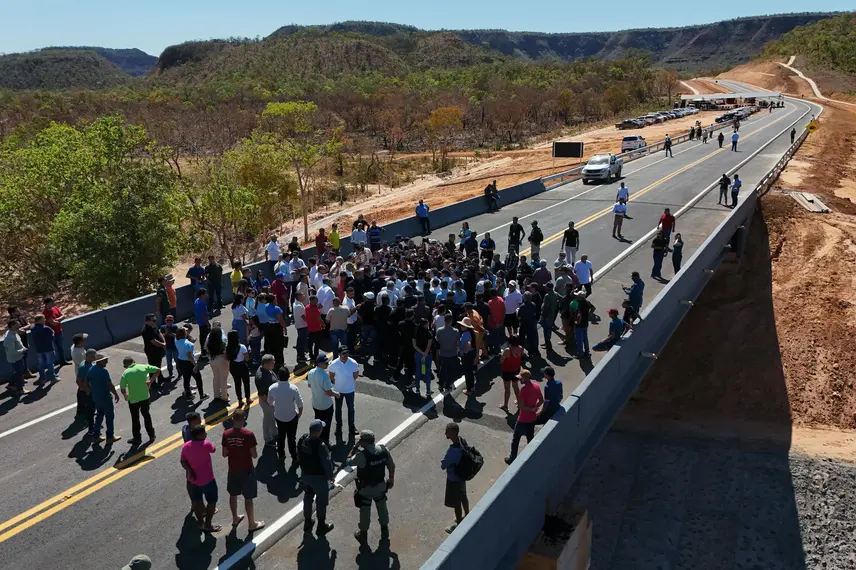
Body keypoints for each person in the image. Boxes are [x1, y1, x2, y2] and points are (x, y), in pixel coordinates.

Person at [349, 429, 395, 543]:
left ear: (365, 442)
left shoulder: (361, 455)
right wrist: (391, 478)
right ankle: (385, 531)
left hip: (366, 489)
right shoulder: (383, 450)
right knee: (382, 508)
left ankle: (363, 534)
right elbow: (391, 465)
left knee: (365, 511)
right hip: (380, 486)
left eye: (360, 440)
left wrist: (354, 448)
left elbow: (348, 461)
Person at [222, 409, 265, 531]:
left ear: (232, 419)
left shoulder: (226, 434)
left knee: (233, 494)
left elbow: (224, 454)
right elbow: (254, 455)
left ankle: (235, 517)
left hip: (233, 470)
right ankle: (251, 523)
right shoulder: (248, 434)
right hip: (247, 470)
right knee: (248, 497)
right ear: (244, 419)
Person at [180, 425, 220, 533]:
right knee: (212, 501)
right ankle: (208, 524)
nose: (206, 434)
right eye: (204, 433)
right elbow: (214, 449)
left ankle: (201, 523)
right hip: (207, 479)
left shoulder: (185, 446)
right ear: (198, 435)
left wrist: (190, 470)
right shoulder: (206, 444)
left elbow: (183, 461)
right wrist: (205, 441)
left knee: (197, 502)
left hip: (193, 481)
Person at [299, 419, 335, 535]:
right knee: (321, 502)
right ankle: (321, 526)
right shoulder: (321, 445)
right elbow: (327, 463)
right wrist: (331, 477)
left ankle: (308, 521)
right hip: (319, 478)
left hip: (305, 476)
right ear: (319, 431)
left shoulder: (302, 440)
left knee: (308, 497)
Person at [504, 370, 543, 464]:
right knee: (530, 438)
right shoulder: (536, 386)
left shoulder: (524, 390)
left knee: (516, 439)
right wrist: (535, 407)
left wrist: (530, 409)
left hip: (523, 419)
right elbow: (541, 400)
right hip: (532, 419)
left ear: (526, 378)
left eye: (520, 378)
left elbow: (522, 407)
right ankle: (532, 456)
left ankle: (512, 458)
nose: (519, 380)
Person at [119, 356, 159, 444]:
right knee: (146, 416)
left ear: (125, 365)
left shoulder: (126, 373)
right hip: (145, 397)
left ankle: (137, 438)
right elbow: (157, 370)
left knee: (135, 418)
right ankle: (151, 435)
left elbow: (122, 388)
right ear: (134, 361)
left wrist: (125, 395)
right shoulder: (143, 367)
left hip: (133, 399)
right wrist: (151, 381)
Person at [268, 367, 303, 465]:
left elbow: (270, 402)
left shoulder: (272, 388)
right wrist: (298, 415)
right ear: (288, 376)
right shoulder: (293, 388)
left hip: (279, 416)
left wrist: (276, 405)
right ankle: (294, 457)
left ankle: (281, 455)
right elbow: (300, 405)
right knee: (292, 438)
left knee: (281, 437)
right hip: (292, 417)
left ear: (278, 376)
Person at [441, 422, 470, 533]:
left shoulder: (452, 451)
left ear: (452, 433)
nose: (445, 434)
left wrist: (443, 462)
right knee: (463, 495)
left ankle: (458, 523)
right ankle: (467, 514)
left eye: (447, 432)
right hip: (462, 477)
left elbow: (443, 466)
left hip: (453, 479)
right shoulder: (463, 441)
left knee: (456, 503)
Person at [86, 354, 121, 443]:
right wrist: (116, 394)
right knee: (109, 416)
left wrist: (90, 390)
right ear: (100, 362)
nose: (107, 362)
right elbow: (110, 385)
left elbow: (86, 381)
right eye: (105, 360)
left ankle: (96, 436)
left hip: (96, 397)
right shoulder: (103, 371)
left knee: (99, 415)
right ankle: (110, 436)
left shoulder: (91, 369)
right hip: (105, 397)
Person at [307, 354, 338, 445]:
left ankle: (316, 441)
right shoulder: (325, 375)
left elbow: (309, 385)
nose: (327, 364)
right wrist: (336, 394)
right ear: (319, 363)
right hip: (326, 405)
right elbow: (328, 392)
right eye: (325, 363)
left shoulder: (311, 372)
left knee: (317, 424)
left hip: (316, 404)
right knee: (326, 426)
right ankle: (325, 444)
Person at [329, 347, 359, 438]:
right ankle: (338, 426)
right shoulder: (334, 364)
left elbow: (356, 375)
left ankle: (352, 426)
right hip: (338, 391)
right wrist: (337, 384)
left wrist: (348, 382)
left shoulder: (353, 363)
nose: (346, 355)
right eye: (343, 353)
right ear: (339, 354)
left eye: (347, 353)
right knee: (338, 409)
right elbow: (331, 376)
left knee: (351, 409)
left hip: (350, 390)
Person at [176, 327, 206, 401]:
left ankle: (189, 395)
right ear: (185, 333)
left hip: (181, 361)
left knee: (186, 379)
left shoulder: (177, 341)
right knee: (198, 378)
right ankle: (202, 395)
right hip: (189, 363)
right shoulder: (189, 344)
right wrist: (195, 364)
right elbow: (189, 356)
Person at [255, 354, 278, 446]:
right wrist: (270, 403)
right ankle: (268, 439)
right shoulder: (261, 377)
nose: (274, 364)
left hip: (271, 399)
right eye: (273, 363)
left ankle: (275, 433)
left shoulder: (267, 370)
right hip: (267, 401)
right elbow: (261, 395)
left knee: (272, 417)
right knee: (268, 419)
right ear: (266, 364)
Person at [436, 313, 460, 394]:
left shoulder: (439, 330)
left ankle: (440, 384)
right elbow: (457, 343)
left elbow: (438, 341)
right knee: (450, 371)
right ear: (451, 321)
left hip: (442, 353)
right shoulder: (456, 331)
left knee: (442, 369)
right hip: (452, 354)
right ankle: (447, 385)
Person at [227, 330, 252, 408]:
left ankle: (240, 400)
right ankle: (248, 398)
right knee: (246, 383)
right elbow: (247, 358)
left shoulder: (227, 348)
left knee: (237, 383)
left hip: (233, 366)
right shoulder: (242, 347)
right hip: (242, 365)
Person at [3, 319, 28, 395]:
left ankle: (11, 384)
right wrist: (22, 350)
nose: (19, 325)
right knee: (19, 373)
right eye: (17, 324)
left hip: (18, 357)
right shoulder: (9, 338)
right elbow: (12, 351)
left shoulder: (14, 333)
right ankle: (20, 389)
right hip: (15, 359)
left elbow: (19, 343)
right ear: (12, 326)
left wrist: (23, 348)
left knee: (19, 371)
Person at [141, 313, 166, 387]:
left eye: (155, 320)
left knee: (158, 364)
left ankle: (160, 378)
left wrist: (164, 341)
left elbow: (159, 333)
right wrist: (163, 345)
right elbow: (154, 342)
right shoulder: (146, 330)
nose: (154, 322)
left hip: (158, 350)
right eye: (153, 320)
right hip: (152, 351)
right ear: (147, 321)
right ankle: (153, 383)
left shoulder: (153, 326)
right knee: (153, 367)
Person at [42, 297, 69, 365]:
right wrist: (57, 320)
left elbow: (63, 316)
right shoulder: (45, 313)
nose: (53, 303)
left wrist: (56, 319)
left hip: (59, 331)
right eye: (52, 302)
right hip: (50, 333)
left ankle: (63, 361)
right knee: (51, 349)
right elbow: (54, 323)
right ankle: (52, 364)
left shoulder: (55, 308)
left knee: (60, 347)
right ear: (47, 304)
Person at [500, 336, 523, 412]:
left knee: (507, 389)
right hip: (516, 370)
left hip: (507, 372)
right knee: (516, 387)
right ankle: (519, 403)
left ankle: (505, 405)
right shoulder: (520, 348)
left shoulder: (507, 350)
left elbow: (501, 361)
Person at [31, 315, 56, 384]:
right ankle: (53, 378)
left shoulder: (33, 329)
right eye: (43, 319)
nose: (44, 320)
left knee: (41, 364)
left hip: (39, 349)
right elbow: (52, 335)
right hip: (48, 348)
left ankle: (42, 379)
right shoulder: (46, 328)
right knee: (50, 363)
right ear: (39, 320)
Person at [207, 325, 229, 403]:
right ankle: (224, 396)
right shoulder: (222, 342)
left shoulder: (209, 342)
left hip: (212, 360)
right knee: (223, 379)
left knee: (216, 377)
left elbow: (205, 348)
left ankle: (216, 395)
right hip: (222, 359)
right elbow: (226, 351)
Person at [413, 317, 434, 397]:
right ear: (425, 324)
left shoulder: (415, 332)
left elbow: (414, 345)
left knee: (418, 371)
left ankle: (417, 389)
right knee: (427, 373)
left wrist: (421, 353)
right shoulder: (429, 333)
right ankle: (428, 390)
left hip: (418, 354)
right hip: (427, 355)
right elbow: (429, 346)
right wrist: (425, 354)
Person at [458, 318, 477, 395]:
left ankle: (469, 389)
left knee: (467, 372)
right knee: (470, 371)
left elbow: (468, 343)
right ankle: (471, 387)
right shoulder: (470, 332)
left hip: (467, 355)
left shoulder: (466, 334)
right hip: (471, 353)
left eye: (463, 326)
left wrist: (464, 350)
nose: (461, 327)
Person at [540, 282, 560, 352]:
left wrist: (542, 314)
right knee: (548, 329)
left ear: (548, 288)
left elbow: (545, 306)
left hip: (546, 315)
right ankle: (547, 343)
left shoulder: (547, 296)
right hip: (552, 315)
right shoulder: (556, 294)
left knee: (546, 330)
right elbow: (561, 299)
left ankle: (548, 346)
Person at [574, 292, 593, 357]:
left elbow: (579, 315)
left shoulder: (579, 304)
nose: (576, 296)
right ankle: (587, 352)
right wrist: (589, 314)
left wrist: (577, 322)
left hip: (579, 325)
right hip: (585, 323)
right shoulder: (587, 302)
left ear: (580, 297)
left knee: (579, 340)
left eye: (577, 296)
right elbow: (593, 308)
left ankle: (580, 354)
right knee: (585, 338)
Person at [160, 314, 179, 378]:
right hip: (167, 347)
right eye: (167, 320)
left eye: (170, 320)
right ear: (165, 321)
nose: (168, 322)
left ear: (172, 321)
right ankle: (170, 373)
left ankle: (179, 371)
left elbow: (178, 335)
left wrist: (172, 334)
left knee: (177, 360)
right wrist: (166, 333)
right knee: (169, 361)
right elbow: (161, 336)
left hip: (175, 346)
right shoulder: (163, 327)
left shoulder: (175, 327)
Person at [194, 289, 210, 356]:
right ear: (202, 295)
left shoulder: (196, 301)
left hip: (200, 321)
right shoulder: (201, 303)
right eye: (205, 294)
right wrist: (207, 323)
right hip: (203, 322)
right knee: (206, 337)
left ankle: (203, 350)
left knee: (202, 336)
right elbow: (203, 314)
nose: (206, 295)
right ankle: (205, 351)